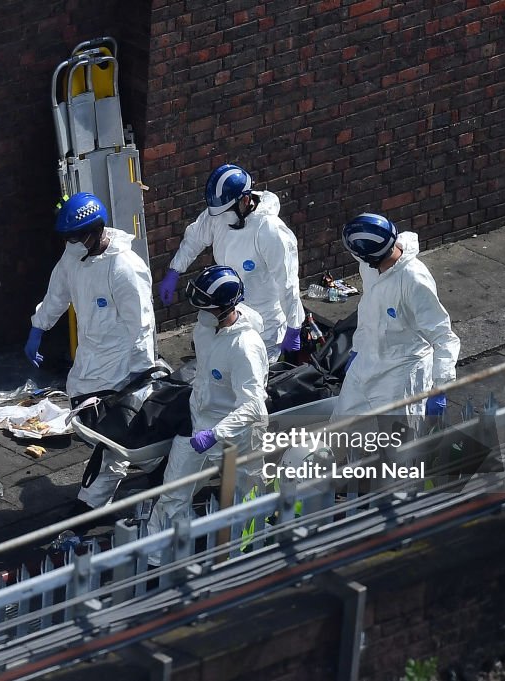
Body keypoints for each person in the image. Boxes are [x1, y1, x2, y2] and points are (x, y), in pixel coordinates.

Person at [23, 192, 158, 511]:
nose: (73, 243)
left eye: (77, 237)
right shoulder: (74, 255)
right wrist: (37, 328)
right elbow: (57, 293)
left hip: (123, 368)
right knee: (96, 427)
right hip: (90, 363)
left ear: (96, 230)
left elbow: (141, 327)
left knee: (114, 438)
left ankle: (90, 507)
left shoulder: (124, 269)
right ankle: (158, 464)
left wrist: (139, 374)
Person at [146, 266, 270, 565]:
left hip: (238, 434)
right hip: (198, 421)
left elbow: (254, 406)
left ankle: (243, 555)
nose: (198, 313)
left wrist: (216, 433)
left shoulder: (245, 347)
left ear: (224, 307)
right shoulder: (204, 327)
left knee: (245, 497)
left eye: (205, 307)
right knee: (173, 491)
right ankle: (155, 557)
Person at [157, 164, 304, 362]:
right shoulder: (219, 214)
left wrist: (294, 326)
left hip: (264, 324)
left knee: (253, 377)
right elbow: (195, 239)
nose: (221, 218)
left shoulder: (269, 231)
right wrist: (175, 270)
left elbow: (287, 282)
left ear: (245, 200)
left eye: (227, 212)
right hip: (228, 315)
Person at [330, 213, 460, 431]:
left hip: (403, 371)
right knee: (340, 427)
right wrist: (358, 350)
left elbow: (443, 337)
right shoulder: (370, 264)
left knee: (400, 442)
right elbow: (369, 313)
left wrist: (439, 388)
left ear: (371, 256)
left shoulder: (414, 280)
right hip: (367, 360)